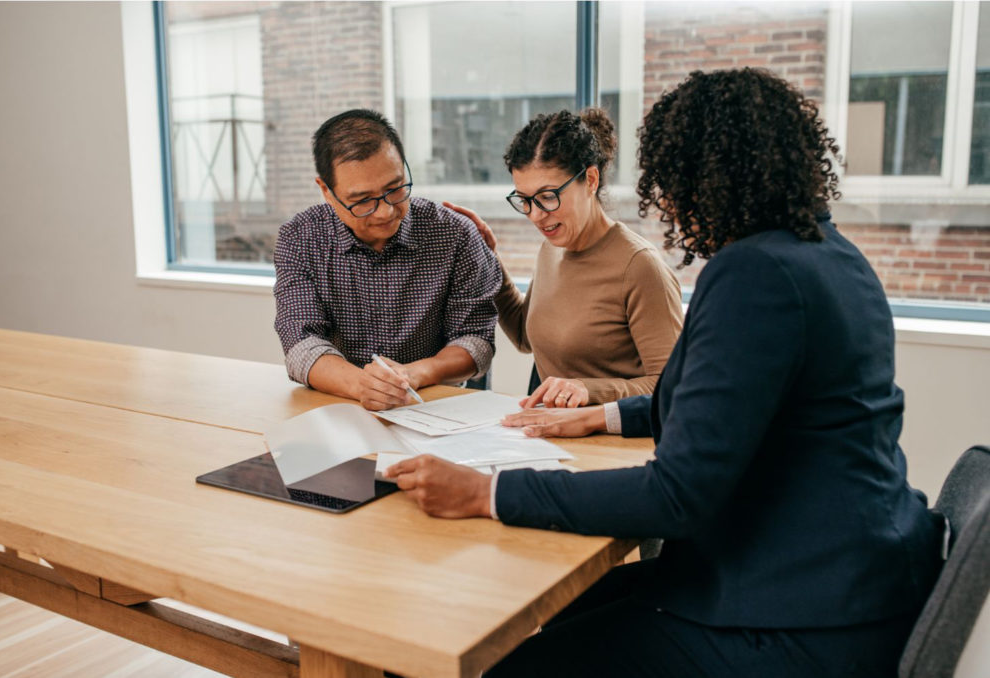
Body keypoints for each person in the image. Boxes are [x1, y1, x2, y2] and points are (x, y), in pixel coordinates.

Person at [385, 69, 943, 676]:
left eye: (673, 183)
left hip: (803, 611)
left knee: (512, 661)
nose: (669, 204)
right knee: (566, 607)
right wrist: (601, 415)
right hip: (847, 570)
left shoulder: (754, 274)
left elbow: (677, 495)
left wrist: (487, 491)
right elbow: (724, 405)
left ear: (708, 179)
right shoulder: (828, 254)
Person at [447, 108, 683, 409]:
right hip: (554, 434)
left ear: (591, 179)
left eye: (547, 197)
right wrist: (489, 259)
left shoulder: (640, 267)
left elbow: (671, 388)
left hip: (613, 446)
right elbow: (524, 337)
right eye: (524, 200)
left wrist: (588, 390)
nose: (535, 215)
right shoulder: (552, 248)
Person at [273, 109, 501, 411]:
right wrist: (362, 385)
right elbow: (301, 343)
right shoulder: (300, 238)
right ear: (327, 191)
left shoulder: (454, 233)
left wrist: (414, 374)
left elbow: (476, 340)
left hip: (435, 405)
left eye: (395, 189)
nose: (385, 212)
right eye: (363, 201)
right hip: (339, 406)